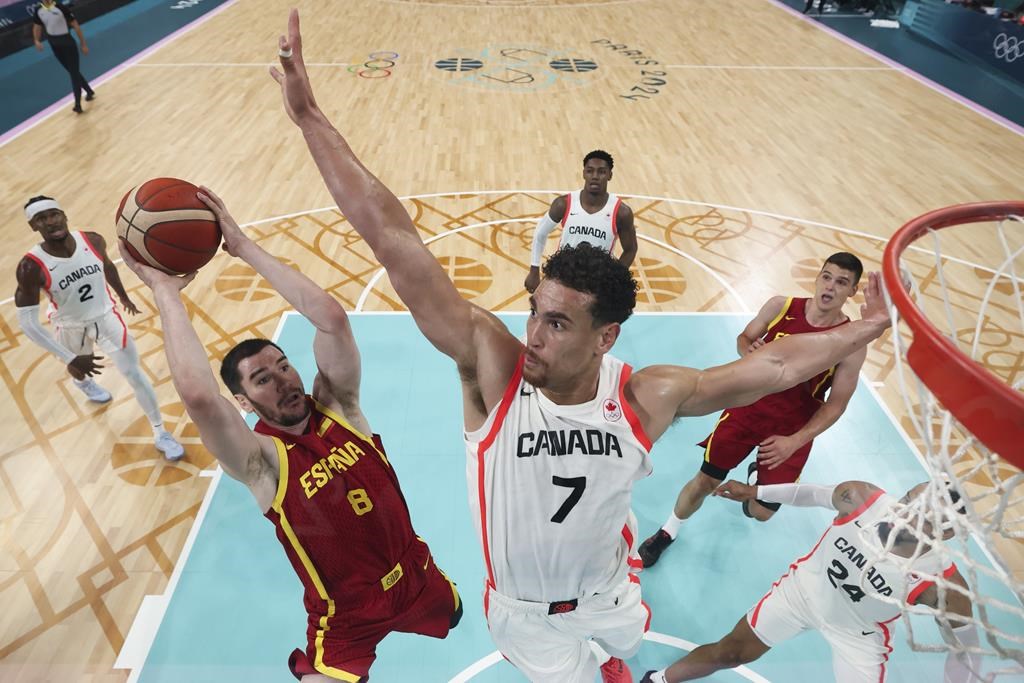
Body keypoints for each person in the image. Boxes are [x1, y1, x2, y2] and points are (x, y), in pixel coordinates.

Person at [268, 10, 891, 681]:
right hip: (525, 612)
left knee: (622, 647)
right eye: (536, 313)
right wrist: (309, 120)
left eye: (559, 323)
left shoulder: (644, 393)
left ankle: (614, 658)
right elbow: (394, 239)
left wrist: (868, 328)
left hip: (609, 591)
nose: (533, 333)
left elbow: (775, 364)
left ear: (607, 337)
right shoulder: (495, 367)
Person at [117, 187, 462, 682]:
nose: (283, 381)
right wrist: (166, 294)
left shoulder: (341, 406)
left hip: (416, 574)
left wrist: (242, 244)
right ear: (242, 401)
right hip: (347, 618)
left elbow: (331, 318)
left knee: (456, 615)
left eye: (283, 366)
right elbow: (197, 396)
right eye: (262, 379)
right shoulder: (261, 460)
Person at [637, 253, 866, 567]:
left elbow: (837, 404)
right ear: (817, 277)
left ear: (852, 291)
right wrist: (747, 350)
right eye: (826, 276)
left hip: (791, 429)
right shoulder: (781, 307)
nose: (830, 287)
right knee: (705, 481)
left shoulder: (850, 342)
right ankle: (667, 531)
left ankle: (755, 479)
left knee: (760, 513)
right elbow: (744, 337)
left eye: (842, 283)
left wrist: (795, 441)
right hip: (748, 409)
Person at [640, 478, 981, 683]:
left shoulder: (941, 584)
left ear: (947, 532)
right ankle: (659, 679)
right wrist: (755, 490)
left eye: (919, 514)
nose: (903, 512)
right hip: (802, 593)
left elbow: (965, 647)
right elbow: (812, 493)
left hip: (857, 635)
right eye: (908, 499)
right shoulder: (864, 499)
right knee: (729, 652)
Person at [15, 195, 184, 461]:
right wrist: (71, 358)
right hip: (69, 327)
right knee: (79, 369)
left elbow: (107, 267)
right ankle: (83, 383)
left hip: (106, 318)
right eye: (41, 219)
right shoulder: (30, 267)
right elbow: (27, 323)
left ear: (64, 214)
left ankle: (161, 433)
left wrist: (124, 296)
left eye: (54, 214)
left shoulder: (92, 240)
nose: (50, 221)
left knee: (135, 374)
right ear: (34, 226)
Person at [523, 150, 637, 293]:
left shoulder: (621, 212)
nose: (595, 176)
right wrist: (534, 270)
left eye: (601, 172)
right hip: (562, 279)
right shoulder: (563, 204)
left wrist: (614, 277)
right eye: (590, 171)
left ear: (610, 175)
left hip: (596, 284)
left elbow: (630, 249)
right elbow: (540, 232)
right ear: (584, 173)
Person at [32, 0, 95, 114]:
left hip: (67, 43)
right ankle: (89, 91)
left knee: (74, 74)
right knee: (72, 71)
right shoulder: (38, 10)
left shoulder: (60, 7)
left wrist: (83, 44)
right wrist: (36, 40)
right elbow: (37, 26)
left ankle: (77, 104)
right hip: (54, 44)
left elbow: (75, 25)